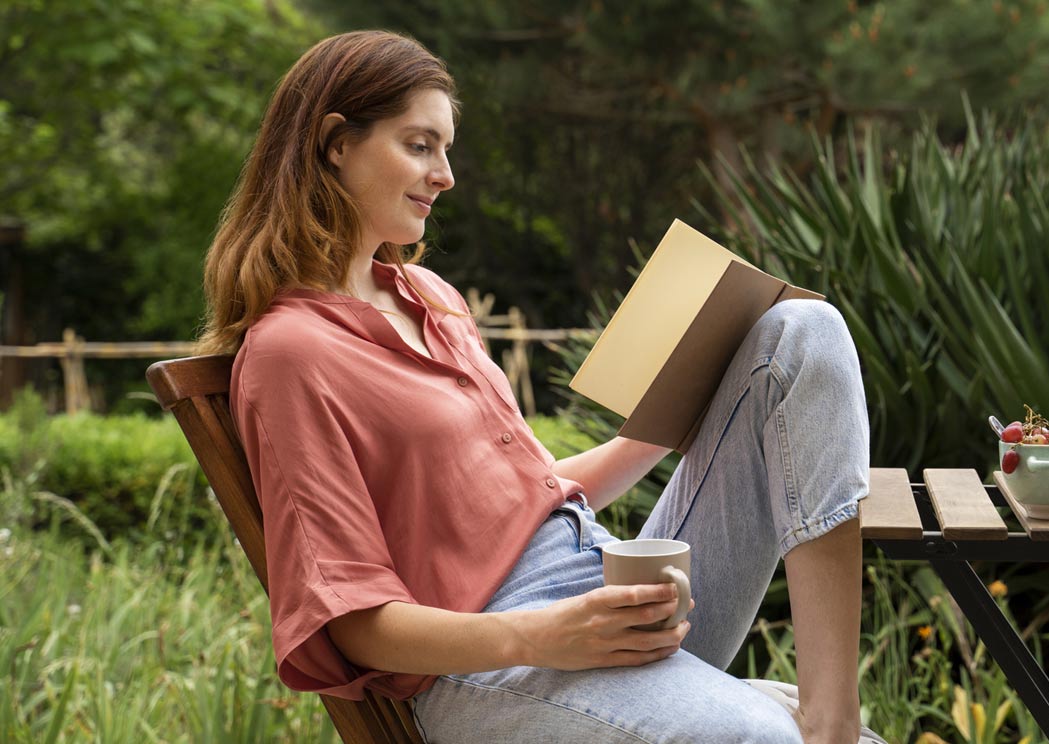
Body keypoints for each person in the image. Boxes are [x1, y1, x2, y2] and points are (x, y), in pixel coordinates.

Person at [197, 30, 881, 744]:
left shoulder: (429, 297)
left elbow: (526, 493)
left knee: (803, 328)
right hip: (493, 665)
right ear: (336, 143)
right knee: (764, 740)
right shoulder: (290, 353)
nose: (446, 174)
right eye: (420, 145)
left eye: (446, 149)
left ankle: (833, 716)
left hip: (605, 591)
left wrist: (679, 398)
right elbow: (354, 620)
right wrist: (539, 637)